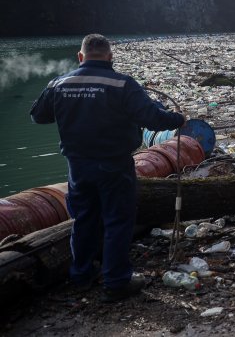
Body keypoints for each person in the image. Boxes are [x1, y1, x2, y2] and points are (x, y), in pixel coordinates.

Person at [30, 34, 185, 302]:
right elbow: (152, 118)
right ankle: (116, 281)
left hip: (78, 167)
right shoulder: (121, 84)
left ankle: (81, 275)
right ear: (110, 58)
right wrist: (178, 118)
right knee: (117, 220)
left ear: (80, 57)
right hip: (114, 165)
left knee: (83, 219)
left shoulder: (59, 83)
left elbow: (38, 116)